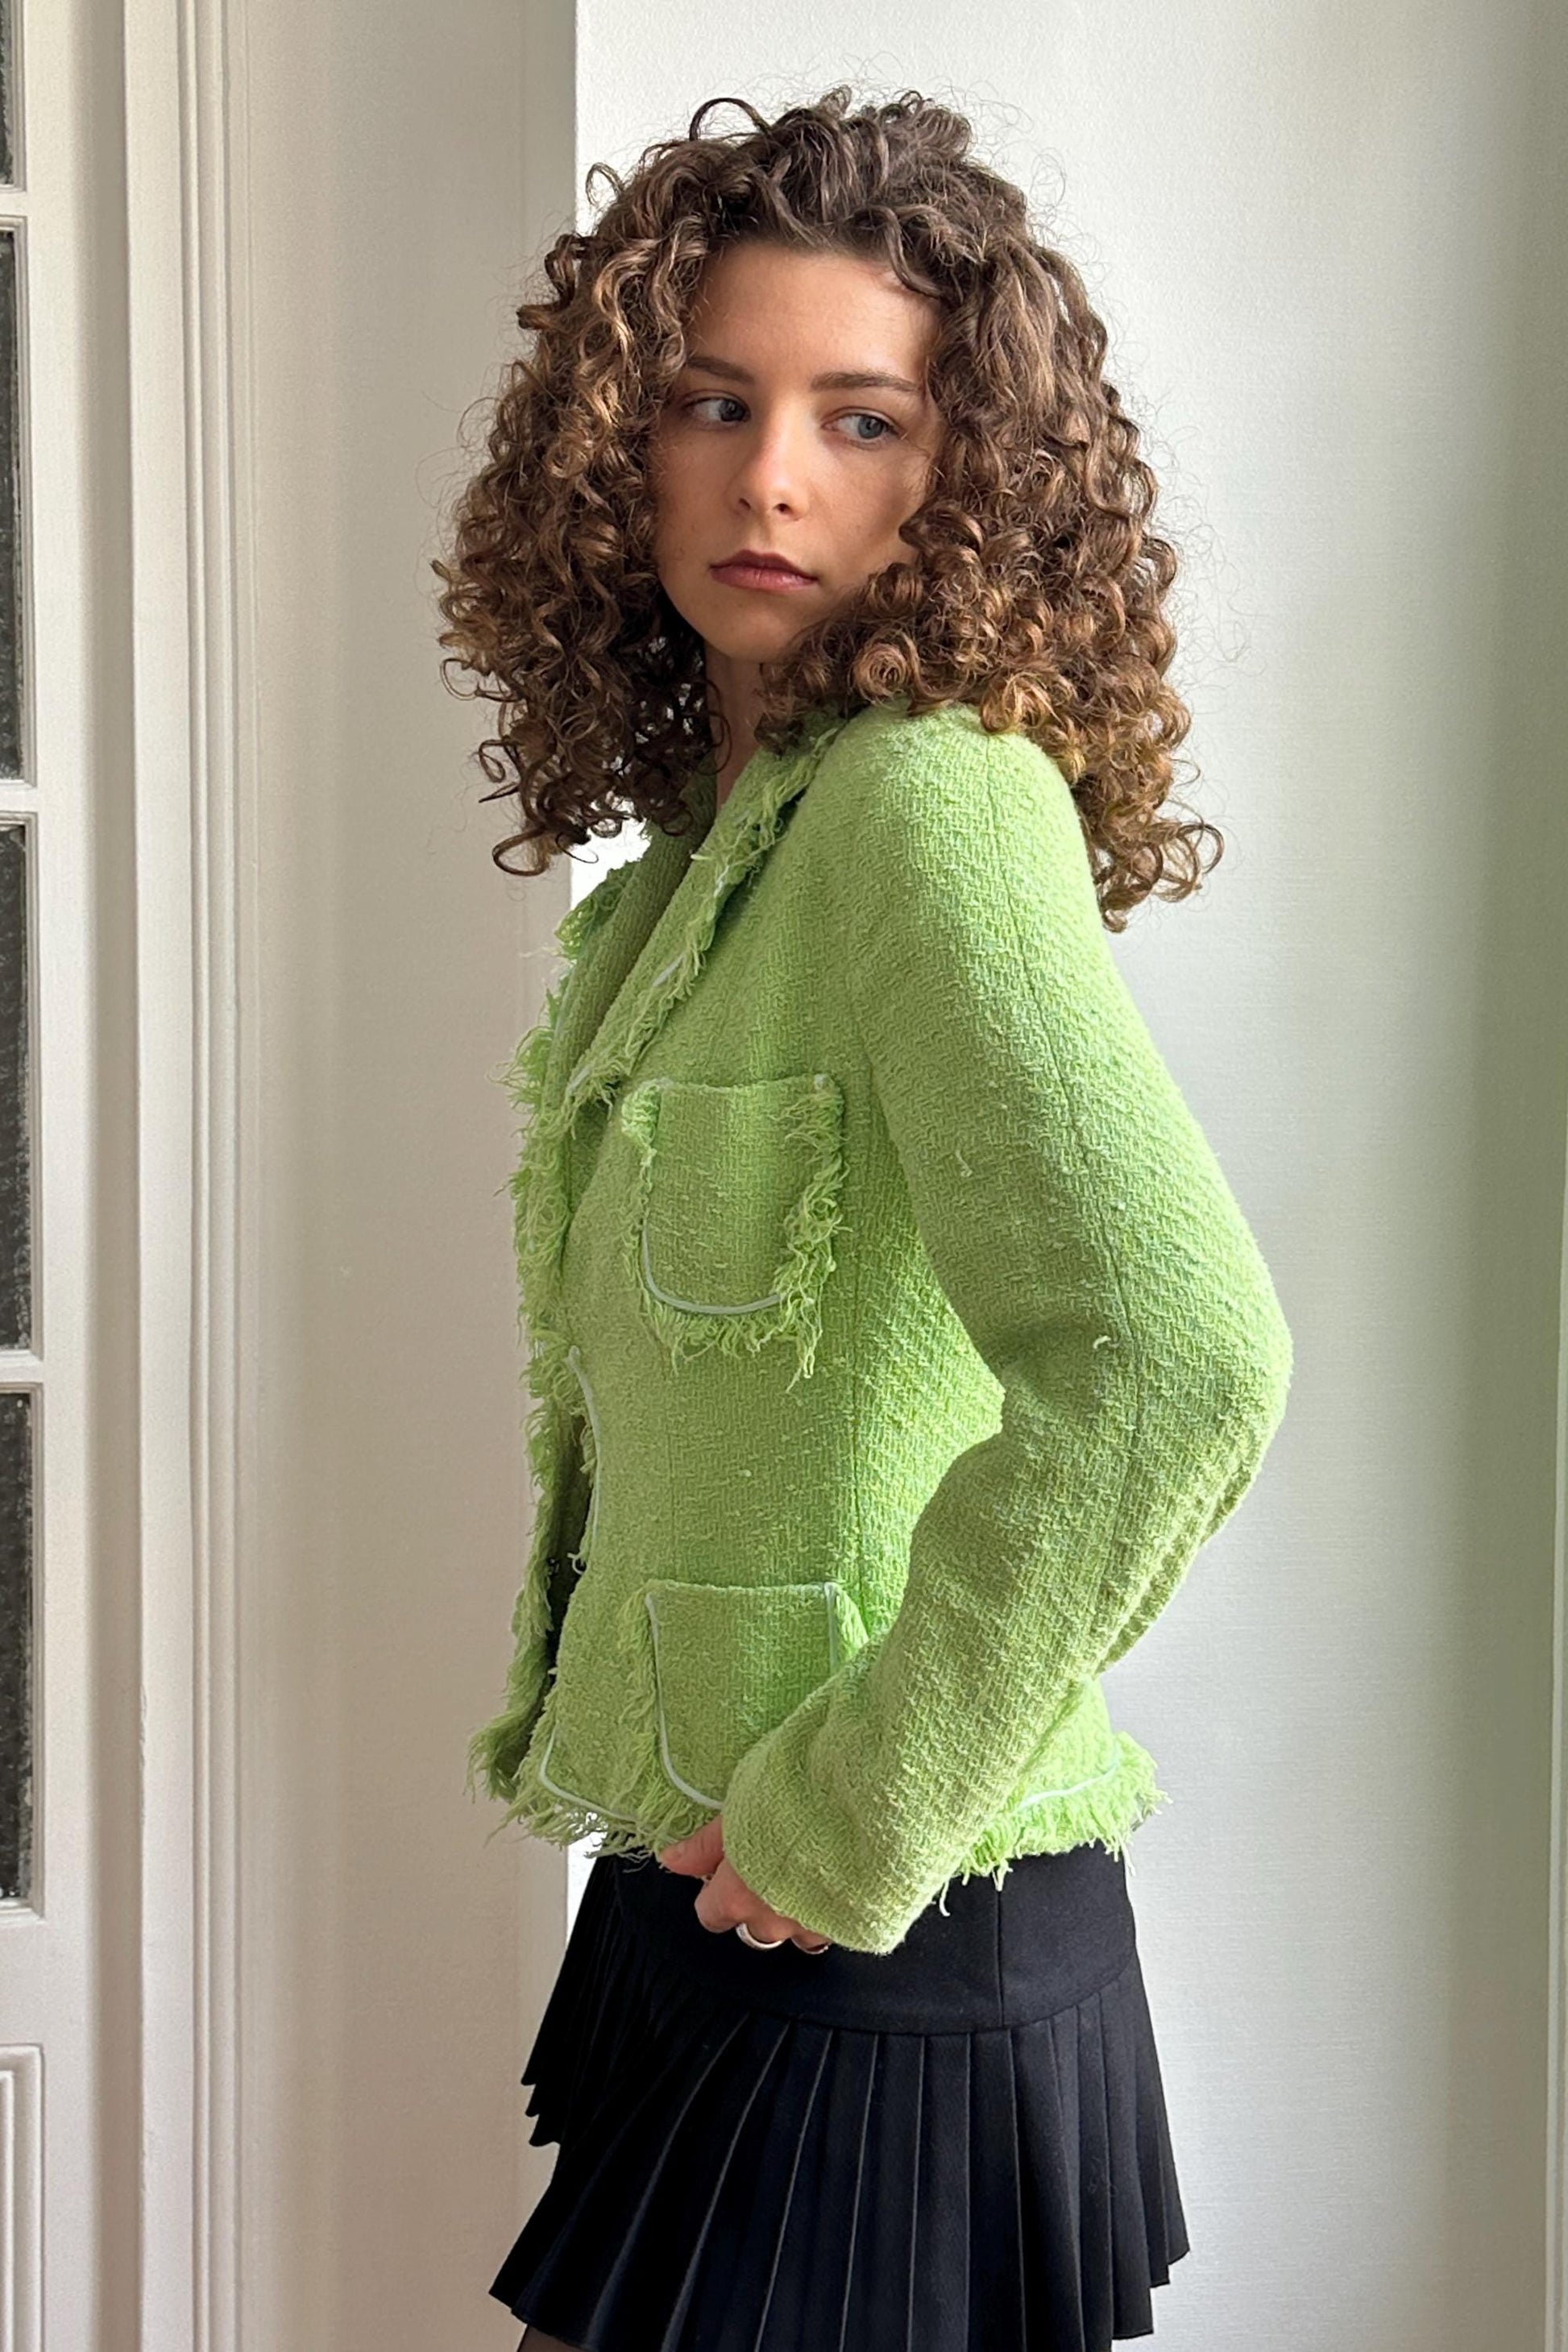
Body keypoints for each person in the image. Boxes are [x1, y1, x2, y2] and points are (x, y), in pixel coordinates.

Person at [433, 83, 1292, 2352]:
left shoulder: (929, 809)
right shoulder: (698, 880)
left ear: (970, 479)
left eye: (863, 416)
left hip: (861, 1918)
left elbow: (1177, 1359)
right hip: (711, 1894)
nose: (772, 475)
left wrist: (845, 1813)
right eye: (714, 400)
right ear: (620, 436)